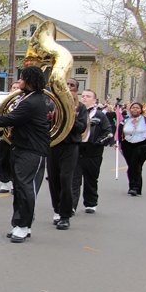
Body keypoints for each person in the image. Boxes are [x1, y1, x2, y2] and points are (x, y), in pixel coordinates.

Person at [0, 66, 50, 243]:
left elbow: (10, 119)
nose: (19, 82)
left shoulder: (33, 101)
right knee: (19, 188)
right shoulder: (27, 98)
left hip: (32, 150)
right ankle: (20, 223)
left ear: (31, 81)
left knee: (26, 188)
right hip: (21, 147)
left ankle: (24, 225)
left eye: (23, 78)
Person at [47, 78, 89, 230]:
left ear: (76, 90)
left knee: (66, 179)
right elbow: (45, 126)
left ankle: (65, 215)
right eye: (67, 85)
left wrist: (70, 117)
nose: (69, 87)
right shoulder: (53, 104)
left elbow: (81, 128)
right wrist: (50, 119)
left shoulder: (81, 108)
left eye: (72, 86)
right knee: (53, 179)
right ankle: (57, 210)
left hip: (70, 146)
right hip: (54, 145)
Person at [72, 90, 112, 213]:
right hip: (77, 150)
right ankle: (71, 205)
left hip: (93, 152)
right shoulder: (76, 113)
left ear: (94, 101)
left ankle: (90, 203)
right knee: (74, 179)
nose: (84, 98)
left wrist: (100, 142)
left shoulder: (100, 115)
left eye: (88, 96)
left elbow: (108, 131)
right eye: (82, 96)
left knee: (91, 178)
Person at [117, 102, 146, 196]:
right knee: (131, 166)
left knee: (135, 165)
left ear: (141, 110)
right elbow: (120, 134)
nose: (135, 109)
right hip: (128, 145)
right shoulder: (124, 121)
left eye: (137, 108)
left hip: (142, 145)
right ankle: (132, 185)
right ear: (130, 110)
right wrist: (118, 143)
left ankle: (135, 187)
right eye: (133, 108)